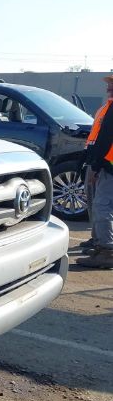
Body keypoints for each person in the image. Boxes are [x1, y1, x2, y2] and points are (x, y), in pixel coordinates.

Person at [77, 77, 113, 269]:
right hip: (106, 164)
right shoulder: (107, 107)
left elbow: (106, 139)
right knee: (103, 206)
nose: (108, 86)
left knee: (102, 206)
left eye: (112, 83)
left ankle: (106, 251)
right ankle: (101, 244)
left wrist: (97, 166)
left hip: (109, 166)